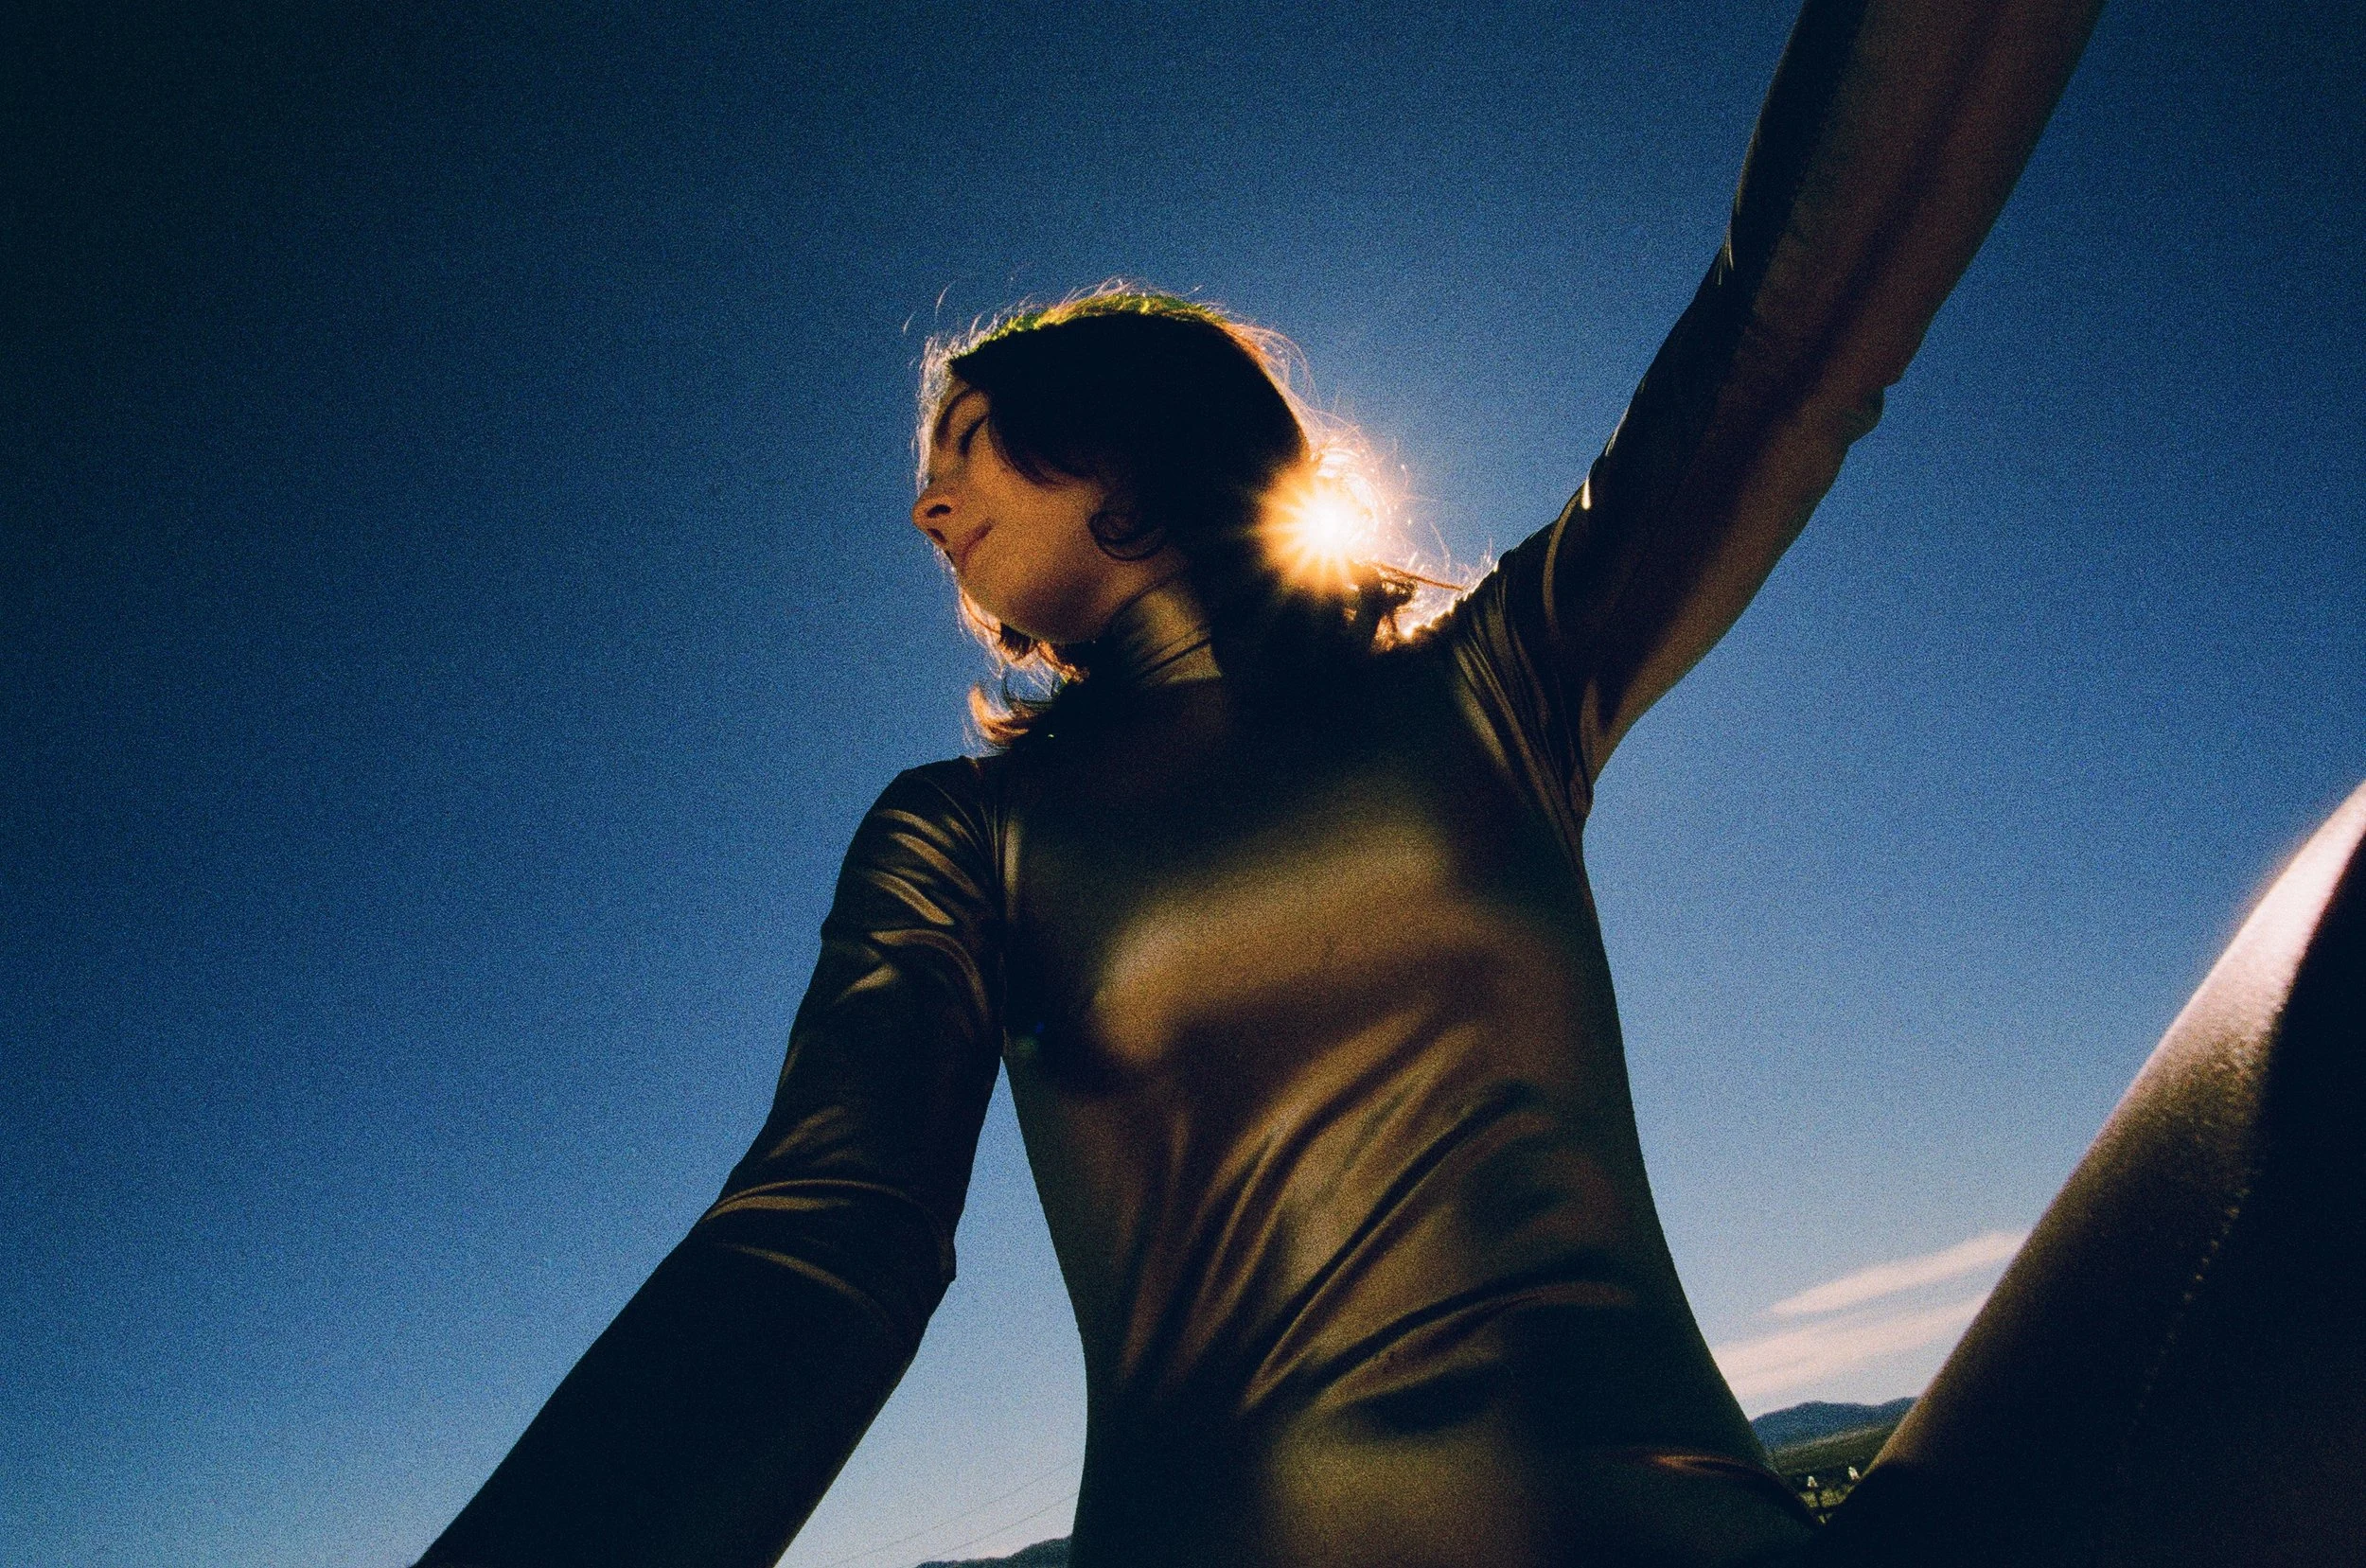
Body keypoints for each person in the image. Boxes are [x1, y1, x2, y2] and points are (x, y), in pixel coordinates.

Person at [415, 1, 2366, 1563]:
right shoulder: (964, 840)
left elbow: (1785, 343)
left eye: (974, 442)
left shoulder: (1494, 690)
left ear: (1126, 456)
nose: (924, 498)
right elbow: (812, 1243)